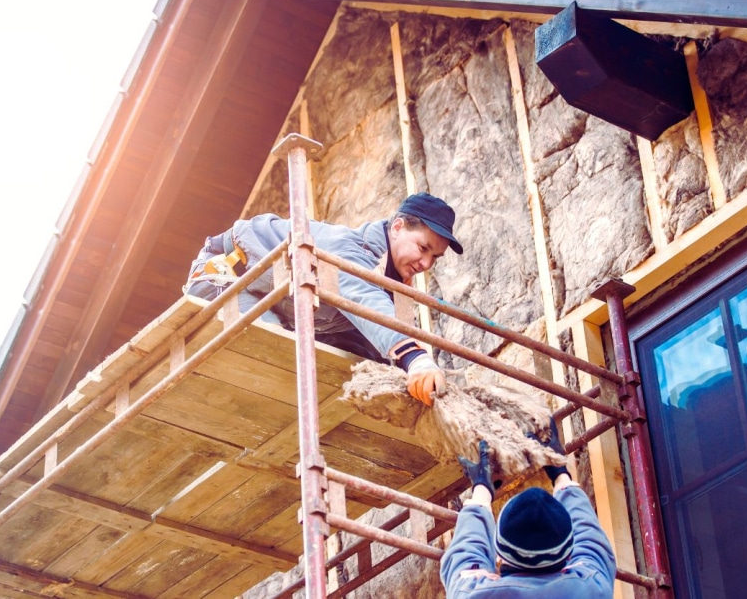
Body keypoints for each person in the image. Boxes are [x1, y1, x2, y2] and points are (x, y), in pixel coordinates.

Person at [182, 192, 464, 406]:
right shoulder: (352, 251)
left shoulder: (390, 286)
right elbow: (363, 298)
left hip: (275, 303)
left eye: (434, 258)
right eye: (423, 248)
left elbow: (366, 342)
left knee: (345, 365)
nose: (426, 263)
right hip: (226, 275)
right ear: (398, 227)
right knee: (275, 357)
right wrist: (415, 359)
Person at [441, 424, 616, 598]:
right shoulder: (592, 587)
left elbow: (465, 555)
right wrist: (560, 473)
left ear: (499, 556)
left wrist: (481, 488)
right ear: (568, 553)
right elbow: (591, 543)